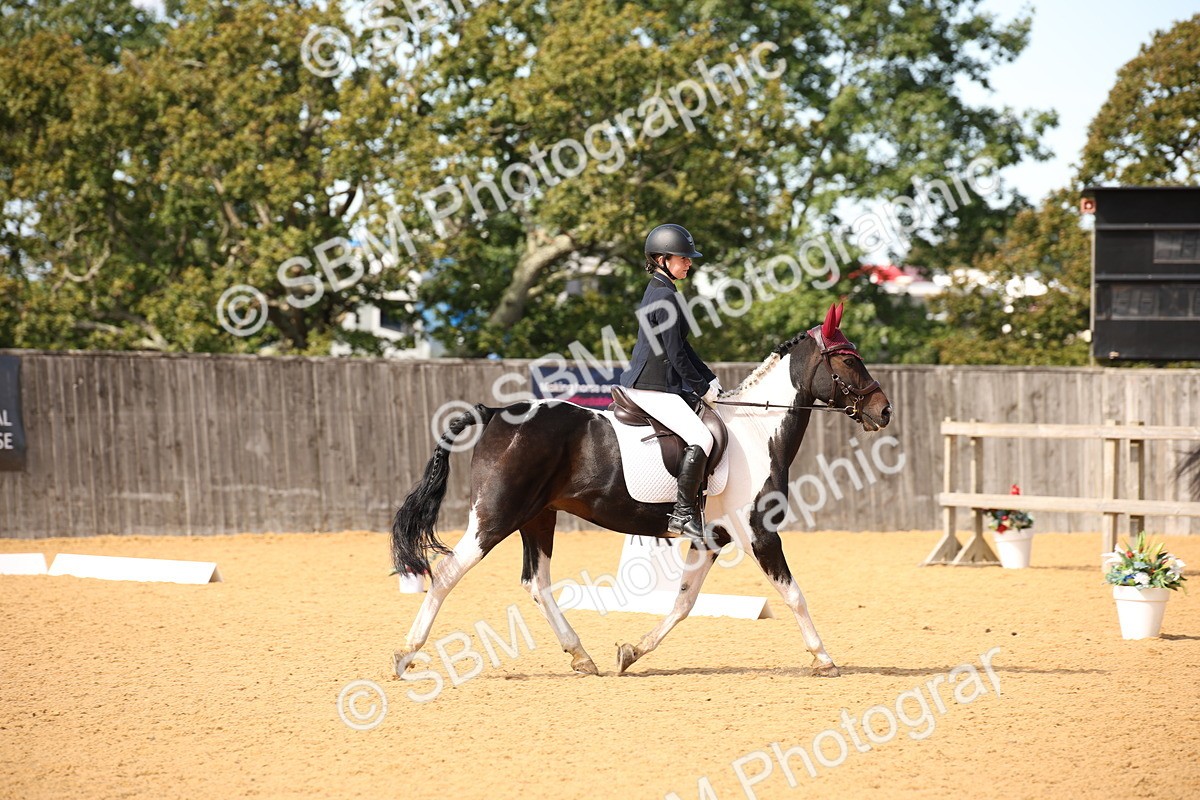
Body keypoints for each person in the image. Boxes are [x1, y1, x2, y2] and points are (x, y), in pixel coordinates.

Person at [619, 223, 721, 544]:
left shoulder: (662, 290)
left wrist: (709, 377)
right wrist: (701, 389)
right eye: (683, 257)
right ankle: (682, 513)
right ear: (662, 259)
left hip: (652, 383)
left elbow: (684, 348)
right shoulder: (665, 296)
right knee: (702, 438)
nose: (689, 262)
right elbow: (676, 356)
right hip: (653, 386)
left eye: (689, 258)